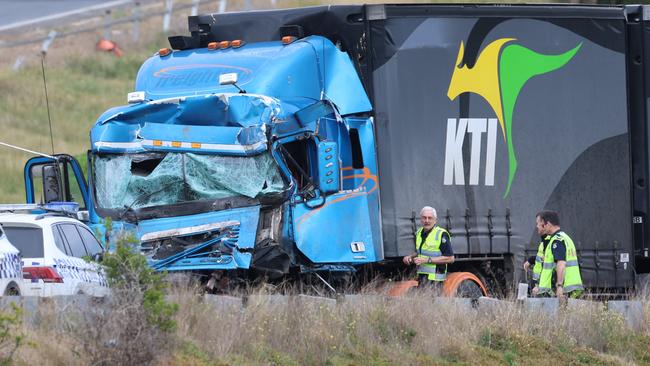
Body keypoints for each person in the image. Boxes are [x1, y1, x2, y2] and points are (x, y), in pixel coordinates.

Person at [532, 210, 584, 299]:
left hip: (565, 290)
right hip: (569, 288)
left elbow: (561, 263)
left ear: (547, 224)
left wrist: (559, 286)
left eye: (540, 224)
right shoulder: (563, 237)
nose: (538, 227)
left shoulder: (557, 241)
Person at [403, 206, 455, 290]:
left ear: (435, 220)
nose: (427, 221)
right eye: (424, 218)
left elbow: (451, 258)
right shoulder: (419, 232)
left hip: (435, 280)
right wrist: (410, 257)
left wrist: (427, 260)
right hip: (422, 276)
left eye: (430, 218)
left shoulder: (441, 234)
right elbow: (420, 252)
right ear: (420, 219)